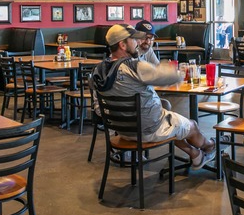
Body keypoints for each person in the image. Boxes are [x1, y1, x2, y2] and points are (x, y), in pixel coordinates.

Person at [91, 24, 217, 170]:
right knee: (192, 125)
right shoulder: (134, 66)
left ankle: (195, 154)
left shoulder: (98, 70)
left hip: (122, 131)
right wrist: (180, 70)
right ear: (122, 45)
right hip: (149, 128)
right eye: (134, 39)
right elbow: (171, 76)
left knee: (169, 115)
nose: (138, 42)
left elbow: (98, 105)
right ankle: (210, 147)